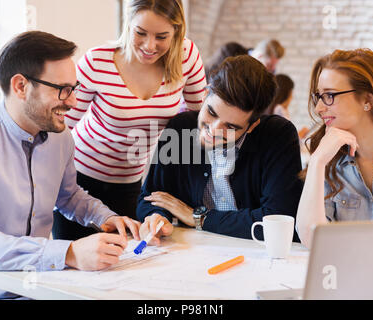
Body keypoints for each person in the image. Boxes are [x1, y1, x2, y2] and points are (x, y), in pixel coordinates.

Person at [0, 31, 141, 300]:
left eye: (74, 88)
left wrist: (107, 219)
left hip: (42, 288)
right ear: (20, 86)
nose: (74, 101)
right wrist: (69, 253)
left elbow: (69, 196)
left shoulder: (61, 138)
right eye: (62, 90)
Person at [53, 0, 207, 240]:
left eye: (161, 37)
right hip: (79, 181)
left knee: (125, 265)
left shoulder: (186, 58)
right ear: (128, 24)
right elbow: (61, 126)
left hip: (130, 183)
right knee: (73, 268)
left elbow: (197, 123)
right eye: (141, 33)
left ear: (176, 33)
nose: (149, 45)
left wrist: (178, 186)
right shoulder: (97, 61)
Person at [136, 55, 303, 242]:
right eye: (211, 112)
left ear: (253, 125)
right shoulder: (181, 128)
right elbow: (151, 197)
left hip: (256, 254)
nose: (213, 130)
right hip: (194, 251)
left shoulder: (277, 135)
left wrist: (199, 218)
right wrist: (157, 217)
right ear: (206, 94)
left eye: (230, 127)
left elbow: (279, 220)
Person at [296, 48, 373, 249]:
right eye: (318, 96)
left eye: (330, 95)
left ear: (367, 100)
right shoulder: (329, 161)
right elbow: (312, 241)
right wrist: (317, 162)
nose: (319, 108)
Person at [267, 74, 309, 139]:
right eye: (291, 93)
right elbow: (286, 138)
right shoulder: (279, 110)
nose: (291, 98)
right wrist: (300, 134)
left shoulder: (275, 109)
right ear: (286, 94)